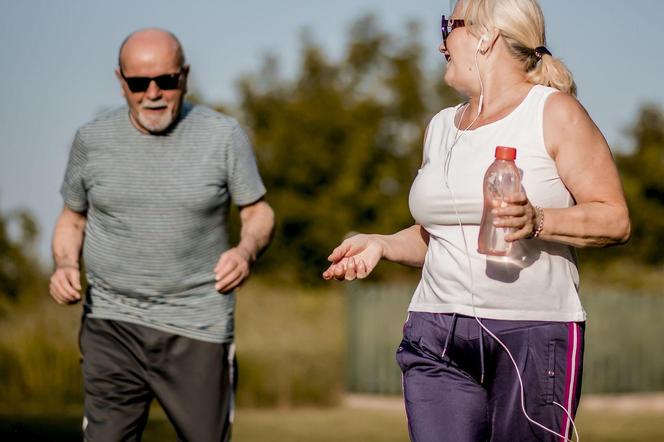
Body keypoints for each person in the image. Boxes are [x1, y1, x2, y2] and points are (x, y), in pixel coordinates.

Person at [323, 0, 630, 440]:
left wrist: (538, 219)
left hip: (533, 333)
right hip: (434, 331)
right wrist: (381, 243)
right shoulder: (442, 126)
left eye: (449, 25)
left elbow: (614, 219)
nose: (440, 41)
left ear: (486, 36)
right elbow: (441, 235)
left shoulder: (554, 112)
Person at [49, 28, 274, 441]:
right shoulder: (91, 140)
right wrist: (64, 264)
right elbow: (72, 219)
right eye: (138, 83)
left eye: (166, 81)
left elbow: (257, 212)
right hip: (111, 323)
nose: (153, 93)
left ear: (184, 76)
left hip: (197, 327)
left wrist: (246, 251)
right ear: (121, 82)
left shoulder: (223, 136)